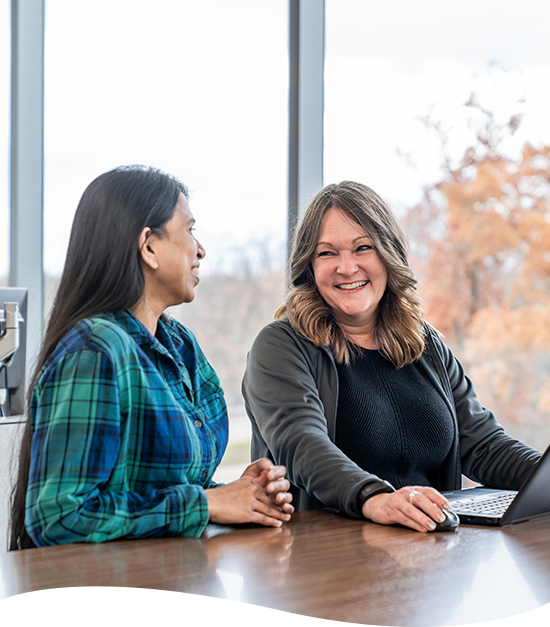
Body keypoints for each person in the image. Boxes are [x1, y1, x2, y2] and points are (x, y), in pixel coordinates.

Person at [9, 165, 293, 550]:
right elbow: (59, 518)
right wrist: (207, 503)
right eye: (189, 230)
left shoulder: (179, 343)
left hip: (170, 593)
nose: (201, 249)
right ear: (148, 246)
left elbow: (160, 489)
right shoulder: (95, 350)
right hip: (106, 605)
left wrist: (242, 495)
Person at [242, 181, 541, 533]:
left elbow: (485, 445)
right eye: (327, 253)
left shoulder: (424, 341)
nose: (346, 267)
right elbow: (303, 447)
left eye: (362, 248)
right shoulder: (280, 346)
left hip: (432, 552)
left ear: (388, 254)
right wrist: (376, 497)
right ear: (308, 266)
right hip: (323, 561)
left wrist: (544, 476)